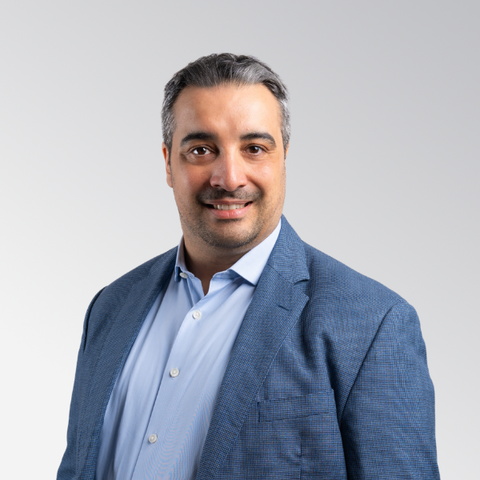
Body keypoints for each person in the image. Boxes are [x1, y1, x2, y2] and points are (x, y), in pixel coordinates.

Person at [57, 53, 440, 480]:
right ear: (168, 162)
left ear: (284, 157)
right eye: (201, 150)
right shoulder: (110, 308)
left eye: (254, 149)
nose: (229, 177)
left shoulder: (371, 325)